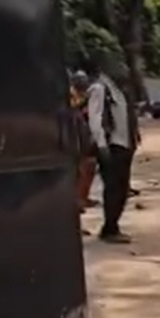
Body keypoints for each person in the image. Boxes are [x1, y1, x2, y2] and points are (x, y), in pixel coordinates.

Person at [86, 58, 140, 244]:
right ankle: (110, 229)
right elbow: (95, 119)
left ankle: (112, 225)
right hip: (112, 145)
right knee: (113, 188)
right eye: (120, 66)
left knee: (122, 188)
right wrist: (102, 146)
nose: (125, 70)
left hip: (124, 144)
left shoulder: (118, 90)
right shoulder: (100, 89)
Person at [70, 70, 99, 212]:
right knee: (81, 171)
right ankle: (78, 200)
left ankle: (83, 197)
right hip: (75, 139)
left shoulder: (84, 96)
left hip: (84, 137)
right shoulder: (71, 96)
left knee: (88, 168)